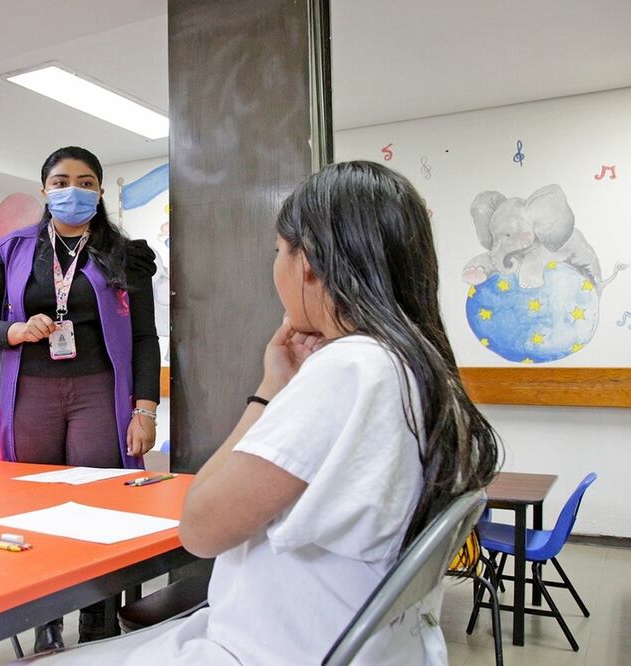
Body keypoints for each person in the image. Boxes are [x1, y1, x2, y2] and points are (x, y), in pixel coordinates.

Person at [32, 161, 501, 665]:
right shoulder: (422, 370)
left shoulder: (349, 370)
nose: (275, 267)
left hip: (266, 649)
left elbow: (201, 528)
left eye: (278, 251)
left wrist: (269, 389)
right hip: (360, 643)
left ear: (310, 264)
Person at [0, 146, 161, 650]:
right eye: (60, 181)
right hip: (31, 394)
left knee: (99, 507)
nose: (71, 190)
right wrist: (15, 330)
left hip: (100, 392)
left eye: (84, 181)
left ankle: (98, 624)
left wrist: (145, 408)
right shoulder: (9, 251)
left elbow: (145, 336)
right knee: (36, 506)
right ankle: (45, 623)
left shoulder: (125, 253)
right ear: (44, 190)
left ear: (98, 191)